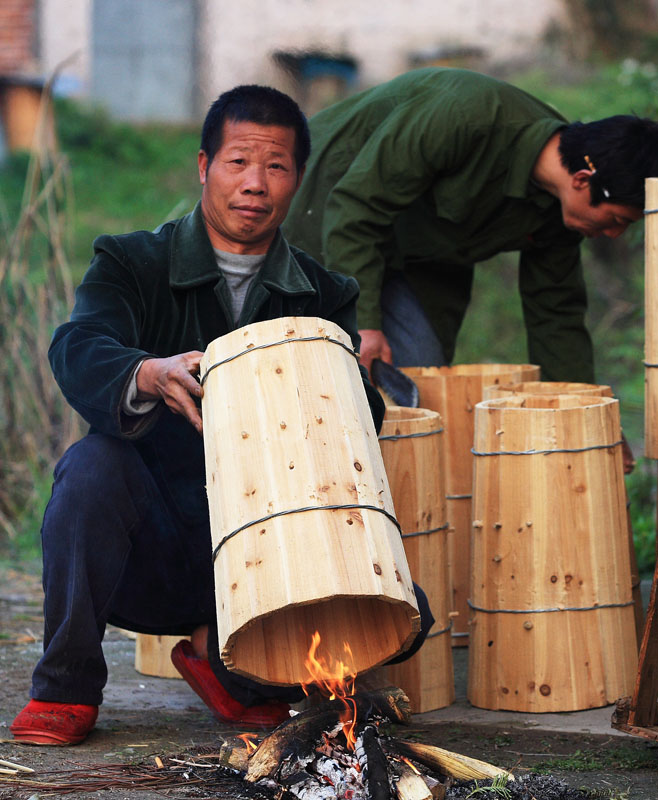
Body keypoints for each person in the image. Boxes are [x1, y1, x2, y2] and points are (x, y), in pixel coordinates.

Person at [10, 85, 433, 746]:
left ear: (297, 178)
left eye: (276, 166)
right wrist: (148, 372)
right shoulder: (131, 262)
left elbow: (360, 421)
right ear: (204, 165)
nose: (255, 184)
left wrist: (341, 382)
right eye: (238, 162)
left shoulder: (326, 292)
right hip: (151, 550)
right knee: (92, 465)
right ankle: (65, 684)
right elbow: (79, 347)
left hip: (271, 553)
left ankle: (219, 657)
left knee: (403, 621)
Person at [283, 67, 658, 381]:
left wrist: (588, 406)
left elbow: (556, 313)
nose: (613, 233)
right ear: (582, 180)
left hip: (410, 256)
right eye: (616, 220)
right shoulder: (464, 115)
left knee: (417, 381)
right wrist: (363, 325)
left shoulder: (563, 213)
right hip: (322, 213)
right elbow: (357, 208)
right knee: (319, 370)